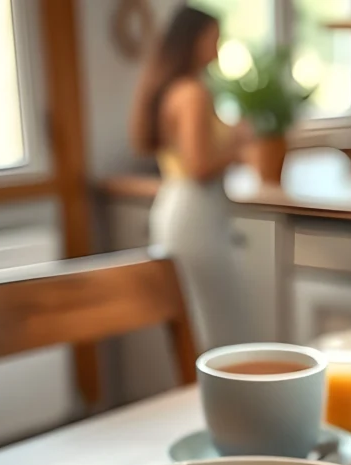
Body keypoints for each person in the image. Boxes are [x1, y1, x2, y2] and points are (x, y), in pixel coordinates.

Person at [131, 6, 250, 350]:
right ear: (193, 41)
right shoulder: (193, 94)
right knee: (213, 326)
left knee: (197, 321)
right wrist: (239, 150)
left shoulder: (172, 89)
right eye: (214, 38)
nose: (218, 47)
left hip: (176, 207)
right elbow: (199, 166)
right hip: (196, 213)